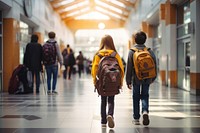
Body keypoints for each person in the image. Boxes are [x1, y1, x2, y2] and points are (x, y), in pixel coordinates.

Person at [91, 35, 124, 128]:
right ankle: (110, 115)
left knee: (103, 100)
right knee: (111, 99)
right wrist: (120, 82)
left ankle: (103, 121)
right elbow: (121, 69)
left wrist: (95, 82)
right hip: (113, 81)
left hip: (102, 82)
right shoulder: (115, 54)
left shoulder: (98, 55)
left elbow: (94, 70)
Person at [125, 31, 157, 126]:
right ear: (145, 40)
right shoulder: (149, 50)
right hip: (147, 77)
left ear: (135, 40)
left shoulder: (132, 51)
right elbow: (155, 65)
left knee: (135, 97)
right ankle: (145, 111)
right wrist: (153, 78)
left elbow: (129, 67)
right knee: (145, 95)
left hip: (136, 78)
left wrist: (128, 81)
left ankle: (136, 118)